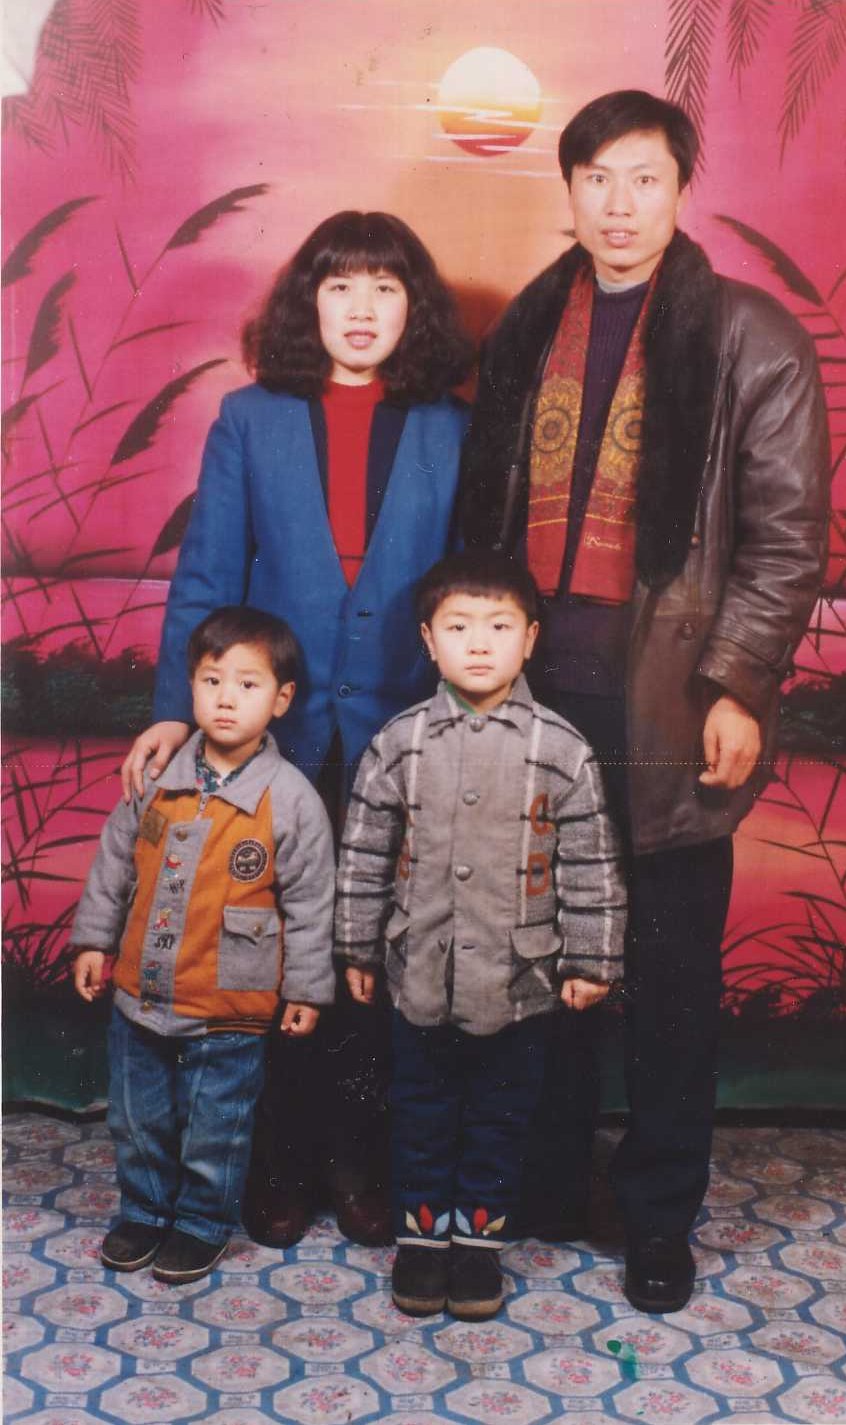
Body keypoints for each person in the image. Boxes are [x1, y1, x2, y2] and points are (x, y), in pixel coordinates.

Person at [461, 90, 830, 1313]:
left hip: (668, 705)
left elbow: (785, 540)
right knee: (539, 956)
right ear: (567, 190)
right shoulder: (528, 326)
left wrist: (736, 685)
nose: (618, 205)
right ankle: (550, 1182)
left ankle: (659, 1214)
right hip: (535, 692)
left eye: (644, 179)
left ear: (678, 191)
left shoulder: (747, 336)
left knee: (668, 980)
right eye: (596, 179)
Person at [119, 211, 472, 1249]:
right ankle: (274, 1157)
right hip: (275, 735)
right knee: (263, 940)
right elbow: (207, 575)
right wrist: (173, 715)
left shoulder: (451, 427)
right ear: (306, 303)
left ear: (413, 308)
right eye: (339, 286)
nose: (361, 309)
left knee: (373, 951)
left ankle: (357, 1159)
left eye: (384, 288)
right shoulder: (250, 418)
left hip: (402, 728)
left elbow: (471, 589)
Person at [335, 550, 626, 1320]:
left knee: (500, 1119)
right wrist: (357, 946)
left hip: (519, 982)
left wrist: (592, 957)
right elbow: (364, 852)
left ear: (529, 639)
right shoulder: (399, 742)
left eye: (499, 627)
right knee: (421, 1112)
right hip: (419, 974)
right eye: (458, 626)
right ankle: (422, 1241)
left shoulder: (561, 748)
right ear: (428, 640)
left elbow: (591, 862)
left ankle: (477, 1245)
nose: (478, 643)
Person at [71, 607, 335, 1284]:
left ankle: (200, 1222)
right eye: (212, 680)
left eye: (248, 684)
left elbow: (311, 903)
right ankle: (143, 1210)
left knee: (217, 1125)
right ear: (190, 685)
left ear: (281, 699)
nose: (225, 698)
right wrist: (94, 940)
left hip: (230, 1006)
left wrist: (307, 989)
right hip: (141, 992)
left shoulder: (291, 799)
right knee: (139, 1119)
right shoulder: (157, 776)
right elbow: (113, 863)